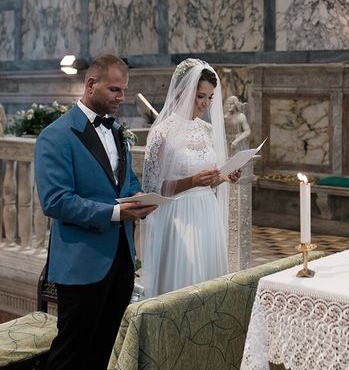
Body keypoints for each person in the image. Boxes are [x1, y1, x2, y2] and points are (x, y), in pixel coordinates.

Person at [34, 54, 158, 370]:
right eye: (115, 90)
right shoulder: (56, 135)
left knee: (103, 349)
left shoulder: (119, 132)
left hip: (121, 261)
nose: (122, 98)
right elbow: (56, 201)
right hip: (81, 264)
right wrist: (115, 214)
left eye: (124, 90)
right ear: (91, 85)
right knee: (71, 353)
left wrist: (139, 200)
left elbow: (127, 183)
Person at [142, 58, 241, 297]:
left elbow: (211, 178)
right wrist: (192, 181)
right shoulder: (161, 133)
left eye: (210, 98)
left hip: (207, 212)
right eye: (200, 96)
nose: (205, 104)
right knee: (183, 286)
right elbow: (151, 190)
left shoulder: (207, 131)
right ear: (182, 91)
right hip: (178, 217)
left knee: (208, 282)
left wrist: (225, 176)